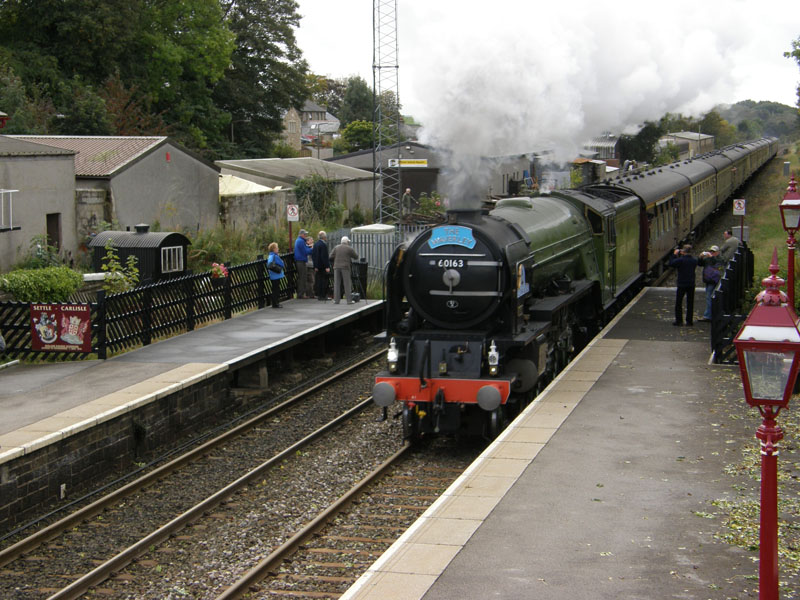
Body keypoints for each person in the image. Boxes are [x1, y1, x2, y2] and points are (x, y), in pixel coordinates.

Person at [668, 244, 698, 326]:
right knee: (690, 302)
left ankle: (679, 320)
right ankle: (689, 321)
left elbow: (671, 263)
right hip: (691, 283)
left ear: (683, 252)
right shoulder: (694, 260)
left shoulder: (680, 260)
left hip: (682, 284)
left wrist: (674, 255)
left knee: (679, 302)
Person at [329, 236, 359, 304]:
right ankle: (349, 300)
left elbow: (331, 256)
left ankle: (336, 300)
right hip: (345, 267)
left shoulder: (336, 247)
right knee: (347, 283)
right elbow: (356, 256)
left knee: (336, 284)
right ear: (347, 242)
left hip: (336, 267)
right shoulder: (349, 248)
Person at [697, 245, 723, 322]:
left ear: (718, 252)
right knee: (709, 297)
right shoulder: (708, 259)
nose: (712, 253)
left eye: (714, 252)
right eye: (711, 251)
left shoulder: (719, 259)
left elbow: (717, 263)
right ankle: (710, 314)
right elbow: (700, 264)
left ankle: (708, 315)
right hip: (709, 280)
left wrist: (711, 257)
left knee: (710, 297)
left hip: (714, 280)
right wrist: (700, 257)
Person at [293, 229, 313, 299]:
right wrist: (312, 249)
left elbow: (304, 249)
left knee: (302, 277)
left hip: (300, 260)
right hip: (301, 261)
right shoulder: (301, 241)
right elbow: (305, 251)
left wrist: (308, 247)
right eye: (304, 234)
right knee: (302, 278)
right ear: (301, 234)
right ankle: (301, 294)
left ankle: (301, 293)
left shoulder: (299, 241)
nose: (305, 236)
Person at [312, 231, 331, 301]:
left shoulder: (316, 244)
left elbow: (314, 255)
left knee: (318, 281)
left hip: (317, 266)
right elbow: (324, 257)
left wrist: (315, 266)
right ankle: (323, 295)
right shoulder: (323, 245)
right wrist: (327, 266)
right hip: (322, 266)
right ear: (324, 237)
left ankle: (319, 295)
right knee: (324, 281)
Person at [267, 242, 285, 309]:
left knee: (275, 289)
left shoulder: (271, 256)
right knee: (276, 289)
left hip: (274, 275)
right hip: (275, 275)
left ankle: (275, 303)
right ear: (274, 249)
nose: (278, 249)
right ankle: (275, 303)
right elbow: (281, 263)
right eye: (277, 248)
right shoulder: (274, 256)